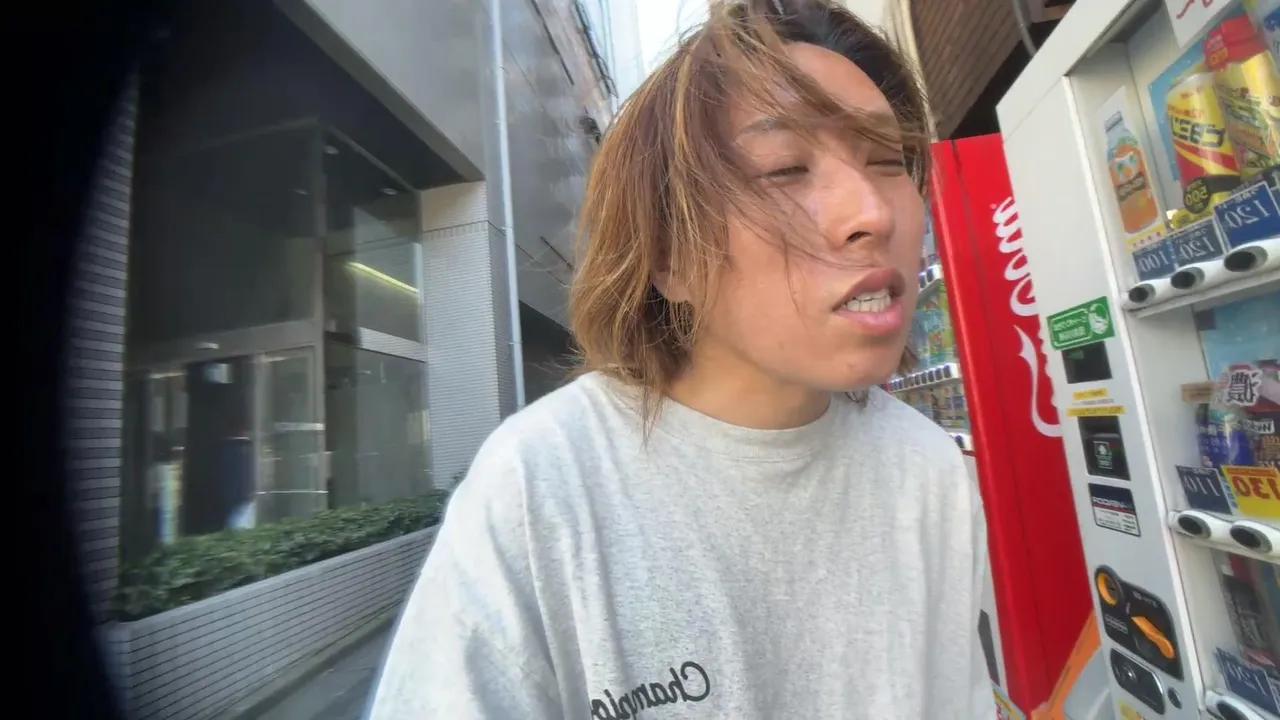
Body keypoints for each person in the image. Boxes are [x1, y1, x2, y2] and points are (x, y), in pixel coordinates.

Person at [368, 0, 994, 718]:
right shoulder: (542, 486)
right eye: (786, 168)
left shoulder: (927, 469)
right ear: (669, 256)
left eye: (886, 161)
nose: (874, 213)